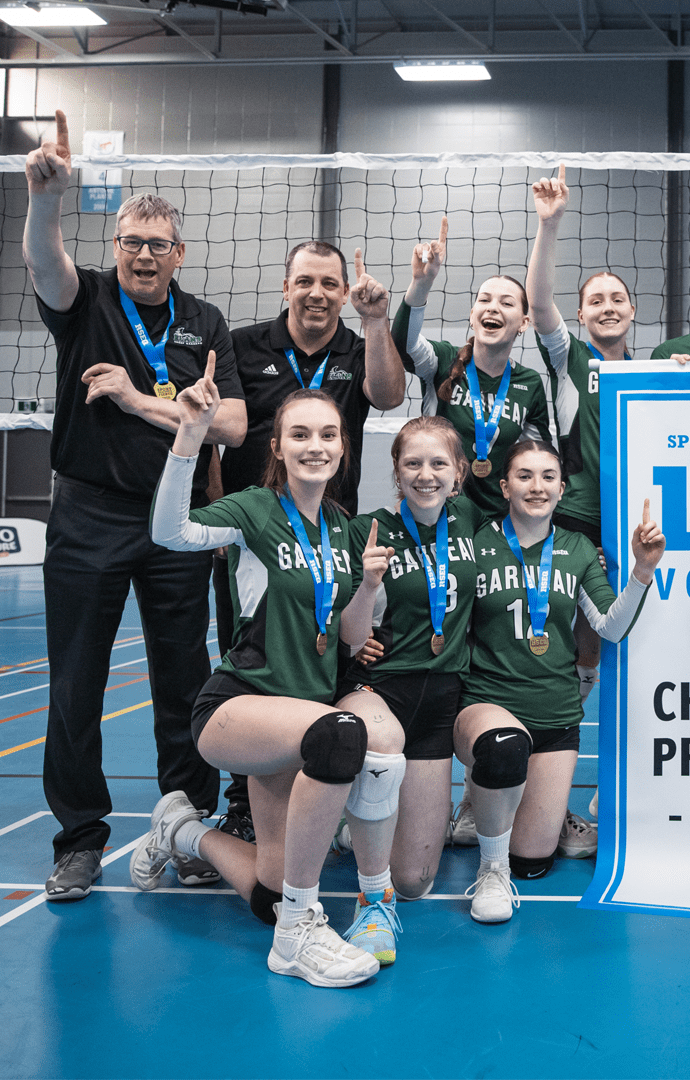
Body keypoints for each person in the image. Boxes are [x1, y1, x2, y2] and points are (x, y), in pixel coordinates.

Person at [22, 109, 244, 901]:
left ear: (179, 254)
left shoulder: (205, 321)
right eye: (131, 243)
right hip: (87, 516)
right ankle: (80, 836)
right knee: (74, 681)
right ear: (114, 248)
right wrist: (46, 197)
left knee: (186, 680)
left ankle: (189, 827)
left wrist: (145, 401)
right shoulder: (84, 301)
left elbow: (234, 421)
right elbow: (46, 260)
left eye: (158, 245)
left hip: (174, 515)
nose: (144, 255)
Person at [137, 378, 397, 988]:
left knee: (269, 892)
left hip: (302, 717)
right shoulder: (253, 509)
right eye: (300, 434)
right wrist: (190, 434)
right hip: (241, 706)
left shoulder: (346, 527)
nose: (316, 445)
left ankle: (181, 830)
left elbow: (355, 641)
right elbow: (168, 533)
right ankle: (297, 936)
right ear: (276, 446)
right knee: (341, 735)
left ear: (343, 449)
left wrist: (367, 587)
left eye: (328, 435)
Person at [210, 239, 407, 844]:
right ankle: (244, 798)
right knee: (252, 659)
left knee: (331, 655)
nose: (317, 294)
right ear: (286, 286)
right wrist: (220, 524)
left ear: (344, 291)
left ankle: (325, 778)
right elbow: (221, 435)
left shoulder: (358, 346)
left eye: (329, 283)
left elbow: (391, 395)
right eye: (305, 282)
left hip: (330, 533)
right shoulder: (242, 344)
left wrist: (377, 323)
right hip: (256, 536)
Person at [452, 439, 663, 922]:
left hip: (556, 718)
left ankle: (508, 811)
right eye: (524, 476)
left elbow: (611, 626)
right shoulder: (477, 545)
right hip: (488, 708)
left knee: (533, 862)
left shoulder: (578, 548)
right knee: (504, 747)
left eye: (548, 476)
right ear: (504, 487)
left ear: (563, 489)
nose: (537, 486)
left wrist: (642, 571)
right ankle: (486, 852)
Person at [326, 415, 482, 965]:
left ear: (459, 472)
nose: (425, 474)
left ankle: (358, 825)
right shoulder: (366, 529)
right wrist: (367, 586)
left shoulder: (474, 524)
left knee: (416, 880)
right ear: (395, 471)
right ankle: (369, 888)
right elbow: (348, 635)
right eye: (412, 463)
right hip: (377, 687)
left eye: (438, 463)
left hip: (439, 700)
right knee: (381, 739)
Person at [524, 166, 634, 719]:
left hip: (634, 519)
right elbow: (539, 303)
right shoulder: (571, 358)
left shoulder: (654, 371)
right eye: (596, 301)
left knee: (602, 633)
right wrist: (551, 225)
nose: (608, 306)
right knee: (554, 626)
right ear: (584, 313)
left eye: (617, 299)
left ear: (632, 311)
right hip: (578, 515)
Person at [392, 227, 552, 519]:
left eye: (506, 303)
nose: (493, 308)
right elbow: (402, 345)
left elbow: (539, 457)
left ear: (524, 322)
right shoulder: (442, 360)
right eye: (485, 300)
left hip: (500, 523)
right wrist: (422, 283)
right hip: (438, 514)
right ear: (472, 314)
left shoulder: (529, 383)